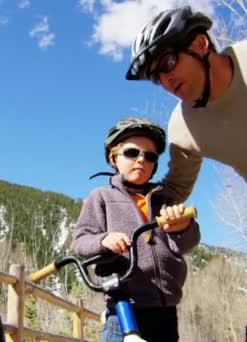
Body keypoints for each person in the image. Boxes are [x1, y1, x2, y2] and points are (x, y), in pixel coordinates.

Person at [125, 6, 247, 341]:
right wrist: (132, 203)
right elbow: (175, 188)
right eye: (157, 77)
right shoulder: (183, 127)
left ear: (201, 44)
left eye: (168, 62)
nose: (166, 80)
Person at [71, 118, 200, 342]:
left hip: (166, 310)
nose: (141, 159)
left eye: (150, 156)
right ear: (114, 158)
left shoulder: (164, 199)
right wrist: (103, 241)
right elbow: (80, 242)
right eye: (132, 153)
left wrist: (184, 228)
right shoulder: (102, 197)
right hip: (124, 308)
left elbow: (187, 243)